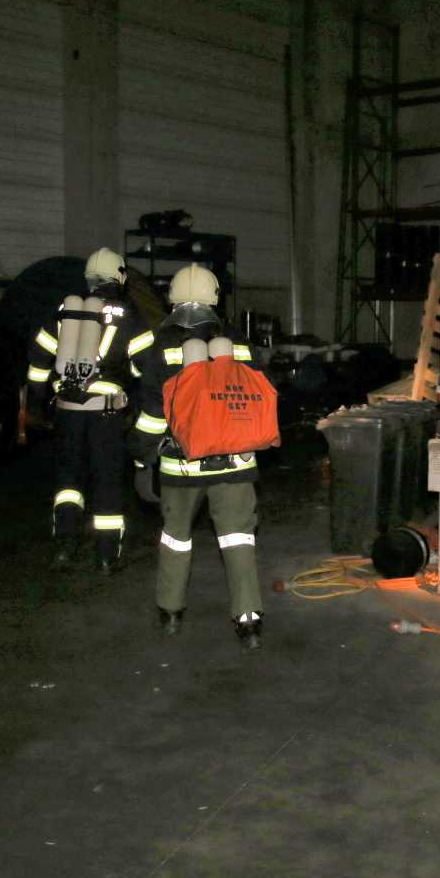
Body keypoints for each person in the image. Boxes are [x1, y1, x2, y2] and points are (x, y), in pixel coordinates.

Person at [127, 263, 267, 651]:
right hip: (236, 462)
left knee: (176, 538)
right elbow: (256, 394)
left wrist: (142, 459)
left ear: (173, 298)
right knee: (238, 538)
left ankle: (170, 612)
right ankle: (249, 621)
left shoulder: (162, 346)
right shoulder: (237, 342)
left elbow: (153, 413)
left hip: (182, 464)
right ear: (214, 297)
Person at [25, 247, 142, 575]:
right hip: (106, 414)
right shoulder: (128, 314)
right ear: (119, 277)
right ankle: (106, 556)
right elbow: (142, 366)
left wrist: (42, 400)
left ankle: (64, 545)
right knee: (106, 482)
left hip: (67, 410)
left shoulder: (66, 310)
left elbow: (38, 359)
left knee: (68, 480)